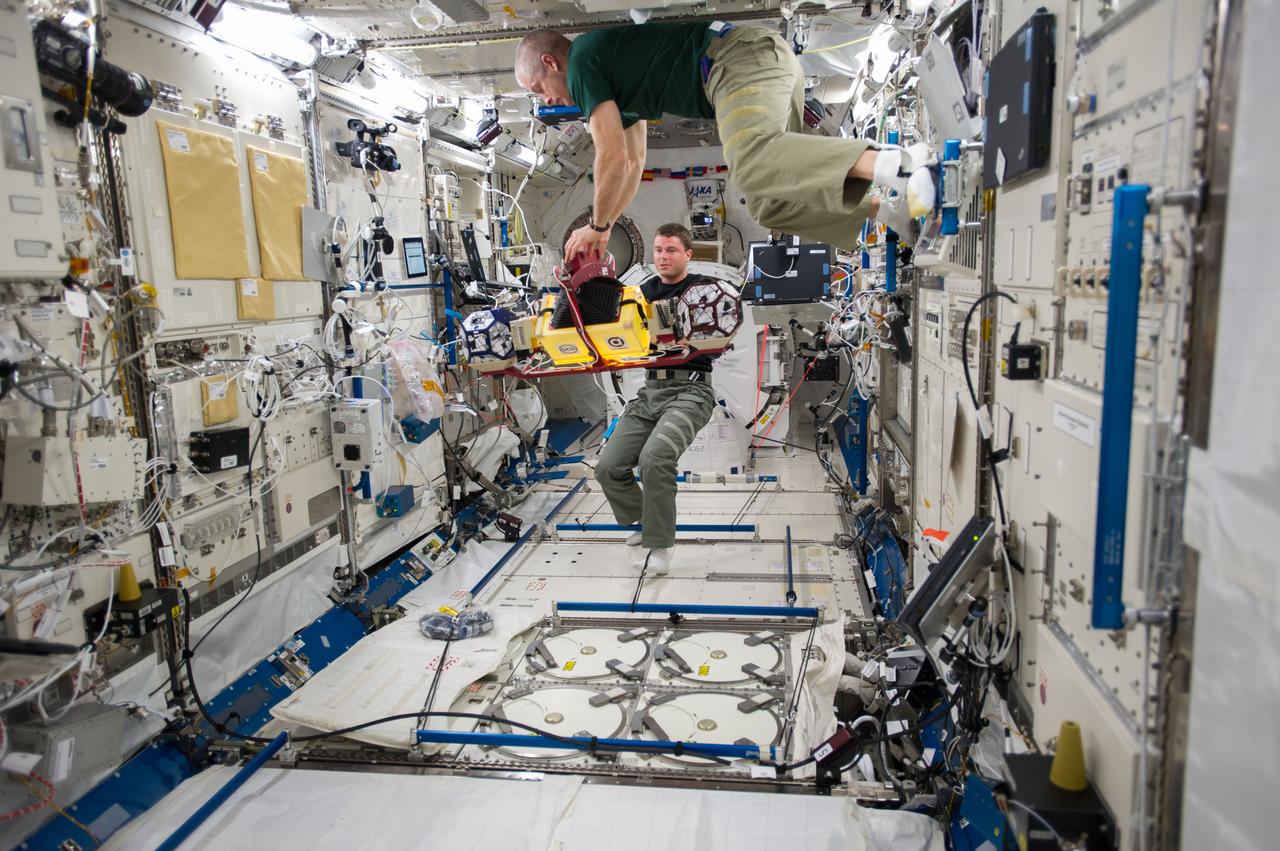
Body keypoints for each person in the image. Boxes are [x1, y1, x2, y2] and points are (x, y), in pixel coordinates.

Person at [514, 22, 934, 261]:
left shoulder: (582, 63)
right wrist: (605, 228)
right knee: (769, 203)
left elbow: (608, 156)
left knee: (749, 160)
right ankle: (887, 209)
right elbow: (630, 162)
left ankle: (896, 165)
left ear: (551, 62)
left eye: (538, 89)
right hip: (757, 63)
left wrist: (597, 226)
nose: (546, 100)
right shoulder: (610, 86)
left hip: (736, 59)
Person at [593, 224, 719, 576]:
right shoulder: (641, 292)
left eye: (671, 250)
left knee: (655, 459)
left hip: (691, 391)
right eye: (659, 250)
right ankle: (643, 519)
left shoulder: (703, 291)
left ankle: (659, 546)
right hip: (650, 392)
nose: (663, 257)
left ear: (688, 254)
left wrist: (689, 340)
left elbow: (721, 336)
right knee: (608, 467)